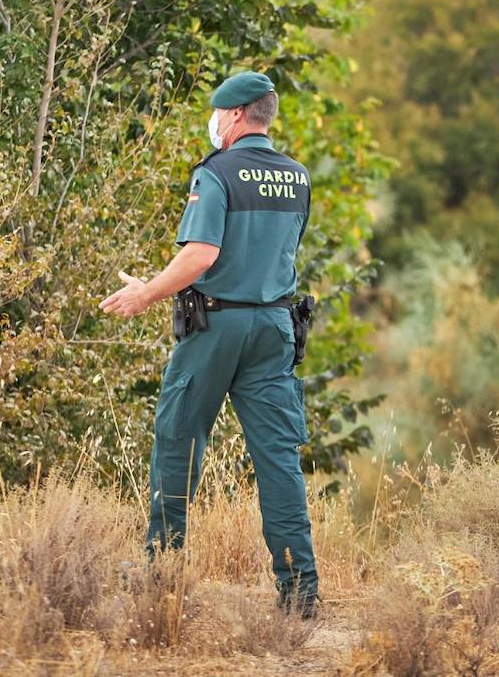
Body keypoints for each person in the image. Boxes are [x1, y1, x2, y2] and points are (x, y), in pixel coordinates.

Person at [97, 70, 319, 619]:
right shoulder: (297, 177)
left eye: (219, 113)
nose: (214, 122)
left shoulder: (216, 174)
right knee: (278, 459)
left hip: (217, 328)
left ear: (237, 115)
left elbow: (201, 255)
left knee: (179, 440)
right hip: (274, 328)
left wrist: (146, 293)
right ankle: (300, 592)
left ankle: (160, 572)